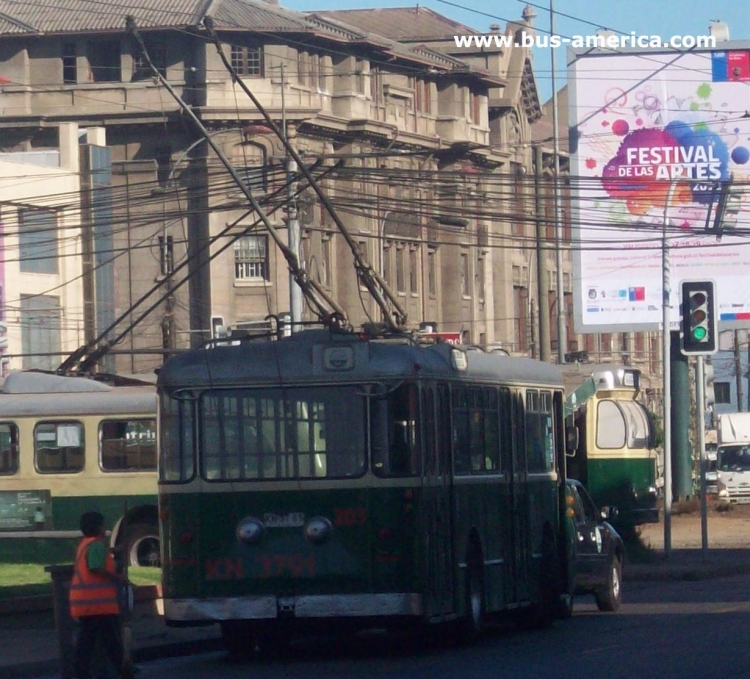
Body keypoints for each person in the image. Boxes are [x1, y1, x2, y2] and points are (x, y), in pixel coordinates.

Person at [69, 511, 130, 679]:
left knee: (87, 643)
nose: (105, 528)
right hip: (98, 605)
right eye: (103, 525)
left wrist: (114, 549)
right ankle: (124, 672)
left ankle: (81, 674)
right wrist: (119, 578)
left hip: (86, 604)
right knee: (112, 642)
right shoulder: (96, 545)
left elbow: (97, 556)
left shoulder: (86, 544)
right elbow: (96, 566)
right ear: (98, 527)